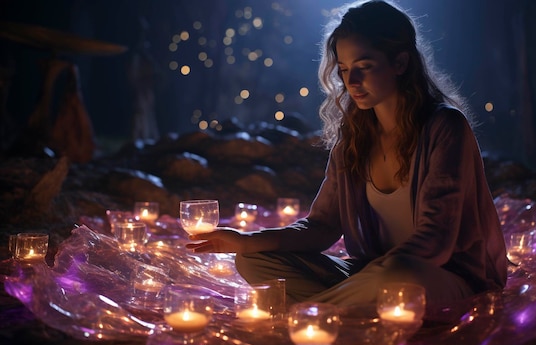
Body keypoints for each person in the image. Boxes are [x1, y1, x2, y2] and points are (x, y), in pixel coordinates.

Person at [187, 0, 508, 307]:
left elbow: (436, 239)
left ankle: (313, 315)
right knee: (255, 262)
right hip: (368, 275)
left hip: (436, 276)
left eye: (364, 66)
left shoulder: (445, 126)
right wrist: (246, 241)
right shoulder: (353, 138)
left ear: (400, 62)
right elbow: (322, 225)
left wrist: (374, 276)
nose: (351, 81)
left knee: (398, 276)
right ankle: (342, 309)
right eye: (343, 69)